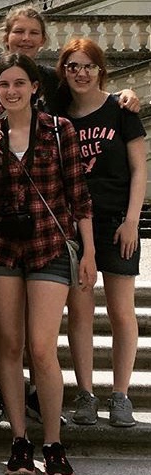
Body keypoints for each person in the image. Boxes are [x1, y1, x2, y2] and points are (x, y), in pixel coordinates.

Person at [0, 53, 95, 475]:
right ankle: (19, 440)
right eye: (4, 85)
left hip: (50, 243)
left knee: (42, 347)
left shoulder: (60, 129)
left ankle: (53, 442)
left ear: (35, 87)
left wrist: (88, 251)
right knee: (10, 347)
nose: (11, 91)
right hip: (4, 248)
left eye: (18, 83)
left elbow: (79, 192)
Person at [58, 39, 147, 429]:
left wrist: (132, 219)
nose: (81, 72)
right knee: (78, 311)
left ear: (100, 69)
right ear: (64, 71)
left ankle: (121, 394)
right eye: (73, 66)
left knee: (121, 311)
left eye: (88, 66)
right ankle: (86, 394)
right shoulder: (58, 116)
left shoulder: (121, 109)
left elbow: (139, 169)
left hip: (116, 222)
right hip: (75, 224)